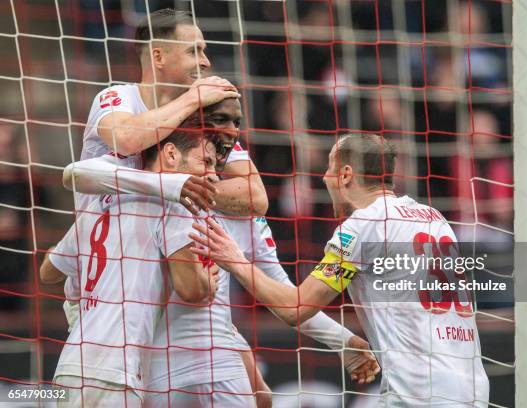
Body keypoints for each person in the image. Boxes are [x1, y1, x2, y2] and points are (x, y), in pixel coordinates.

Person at [62, 98, 379, 407]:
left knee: (264, 397)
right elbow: (75, 177)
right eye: (222, 119)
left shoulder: (246, 213)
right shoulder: (148, 185)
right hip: (154, 358)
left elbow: (285, 296)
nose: (231, 130)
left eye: (237, 122)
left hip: (206, 349)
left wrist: (342, 341)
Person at [192, 133, 490, 407]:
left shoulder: (363, 227)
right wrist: (344, 341)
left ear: (345, 174)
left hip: (421, 395)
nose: (324, 177)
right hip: (472, 386)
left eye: (329, 168)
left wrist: (235, 261)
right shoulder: (433, 217)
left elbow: (296, 308)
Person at [39, 123, 222, 407]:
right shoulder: (173, 203)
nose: (212, 174)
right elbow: (191, 290)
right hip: (116, 371)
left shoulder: (97, 204)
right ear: (171, 154)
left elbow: (47, 272)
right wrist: (208, 282)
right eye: (206, 161)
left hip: (71, 365)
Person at [75, 7, 267, 215]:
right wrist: (192, 99)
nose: (206, 62)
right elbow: (126, 139)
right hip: (102, 242)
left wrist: (184, 188)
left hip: (164, 242)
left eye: (204, 51)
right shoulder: (117, 97)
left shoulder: (201, 115)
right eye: (194, 51)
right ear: (158, 57)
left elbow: (256, 197)